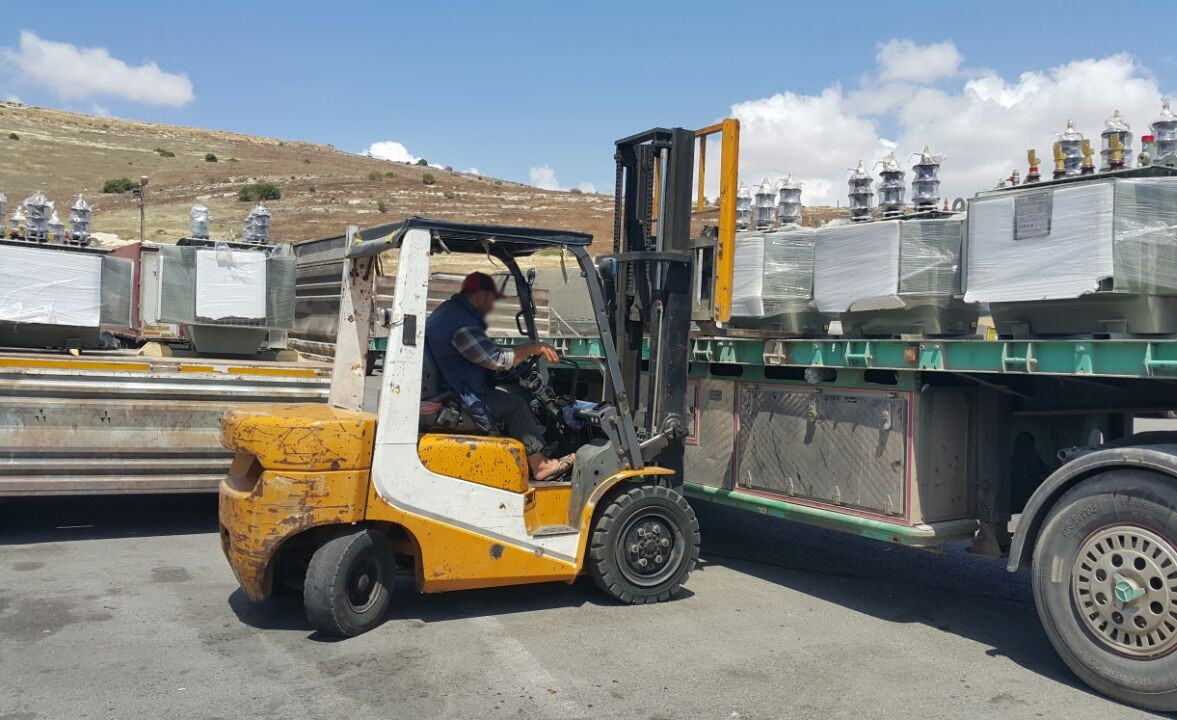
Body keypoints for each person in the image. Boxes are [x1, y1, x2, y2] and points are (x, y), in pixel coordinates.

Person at [424, 271, 573, 481]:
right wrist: (533, 347)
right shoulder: (461, 325)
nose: (491, 306)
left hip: (452, 386)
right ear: (480, 295)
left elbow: (482, 353)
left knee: (507, 394)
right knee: (515, 405)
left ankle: (534, 451)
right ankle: (541, 466)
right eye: (491, 300)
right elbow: (497, 359)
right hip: (460, 398)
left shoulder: (448, 313)